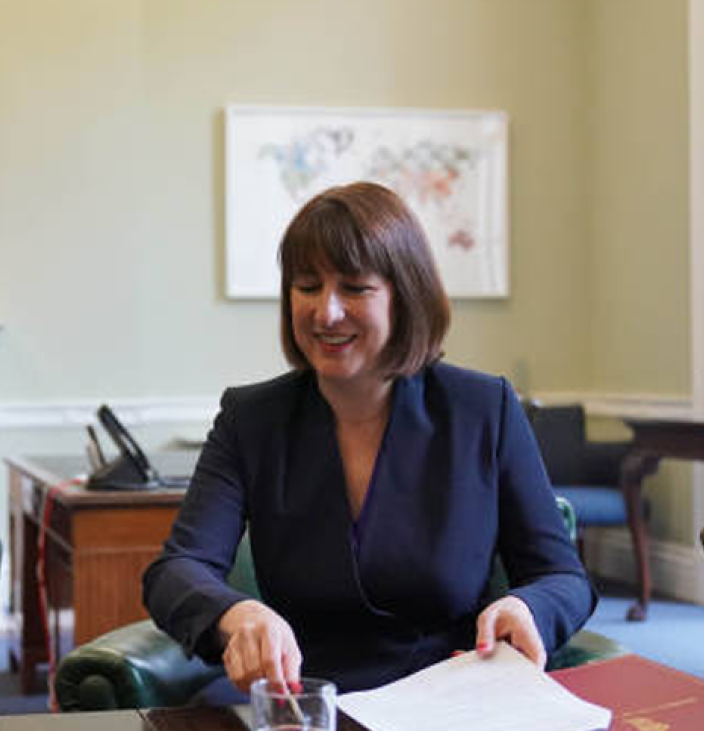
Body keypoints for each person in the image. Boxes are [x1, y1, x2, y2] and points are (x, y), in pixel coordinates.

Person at [142, 182, 595, 699]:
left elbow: (563, 576)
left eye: (355, 288)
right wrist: (235, 612)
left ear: (406, 296)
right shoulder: (251, 419)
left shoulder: (483, 408)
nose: (326, 312)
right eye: (308, 286)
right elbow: (177, 569)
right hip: (303, 698)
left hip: (448, 699)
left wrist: (527, 606)